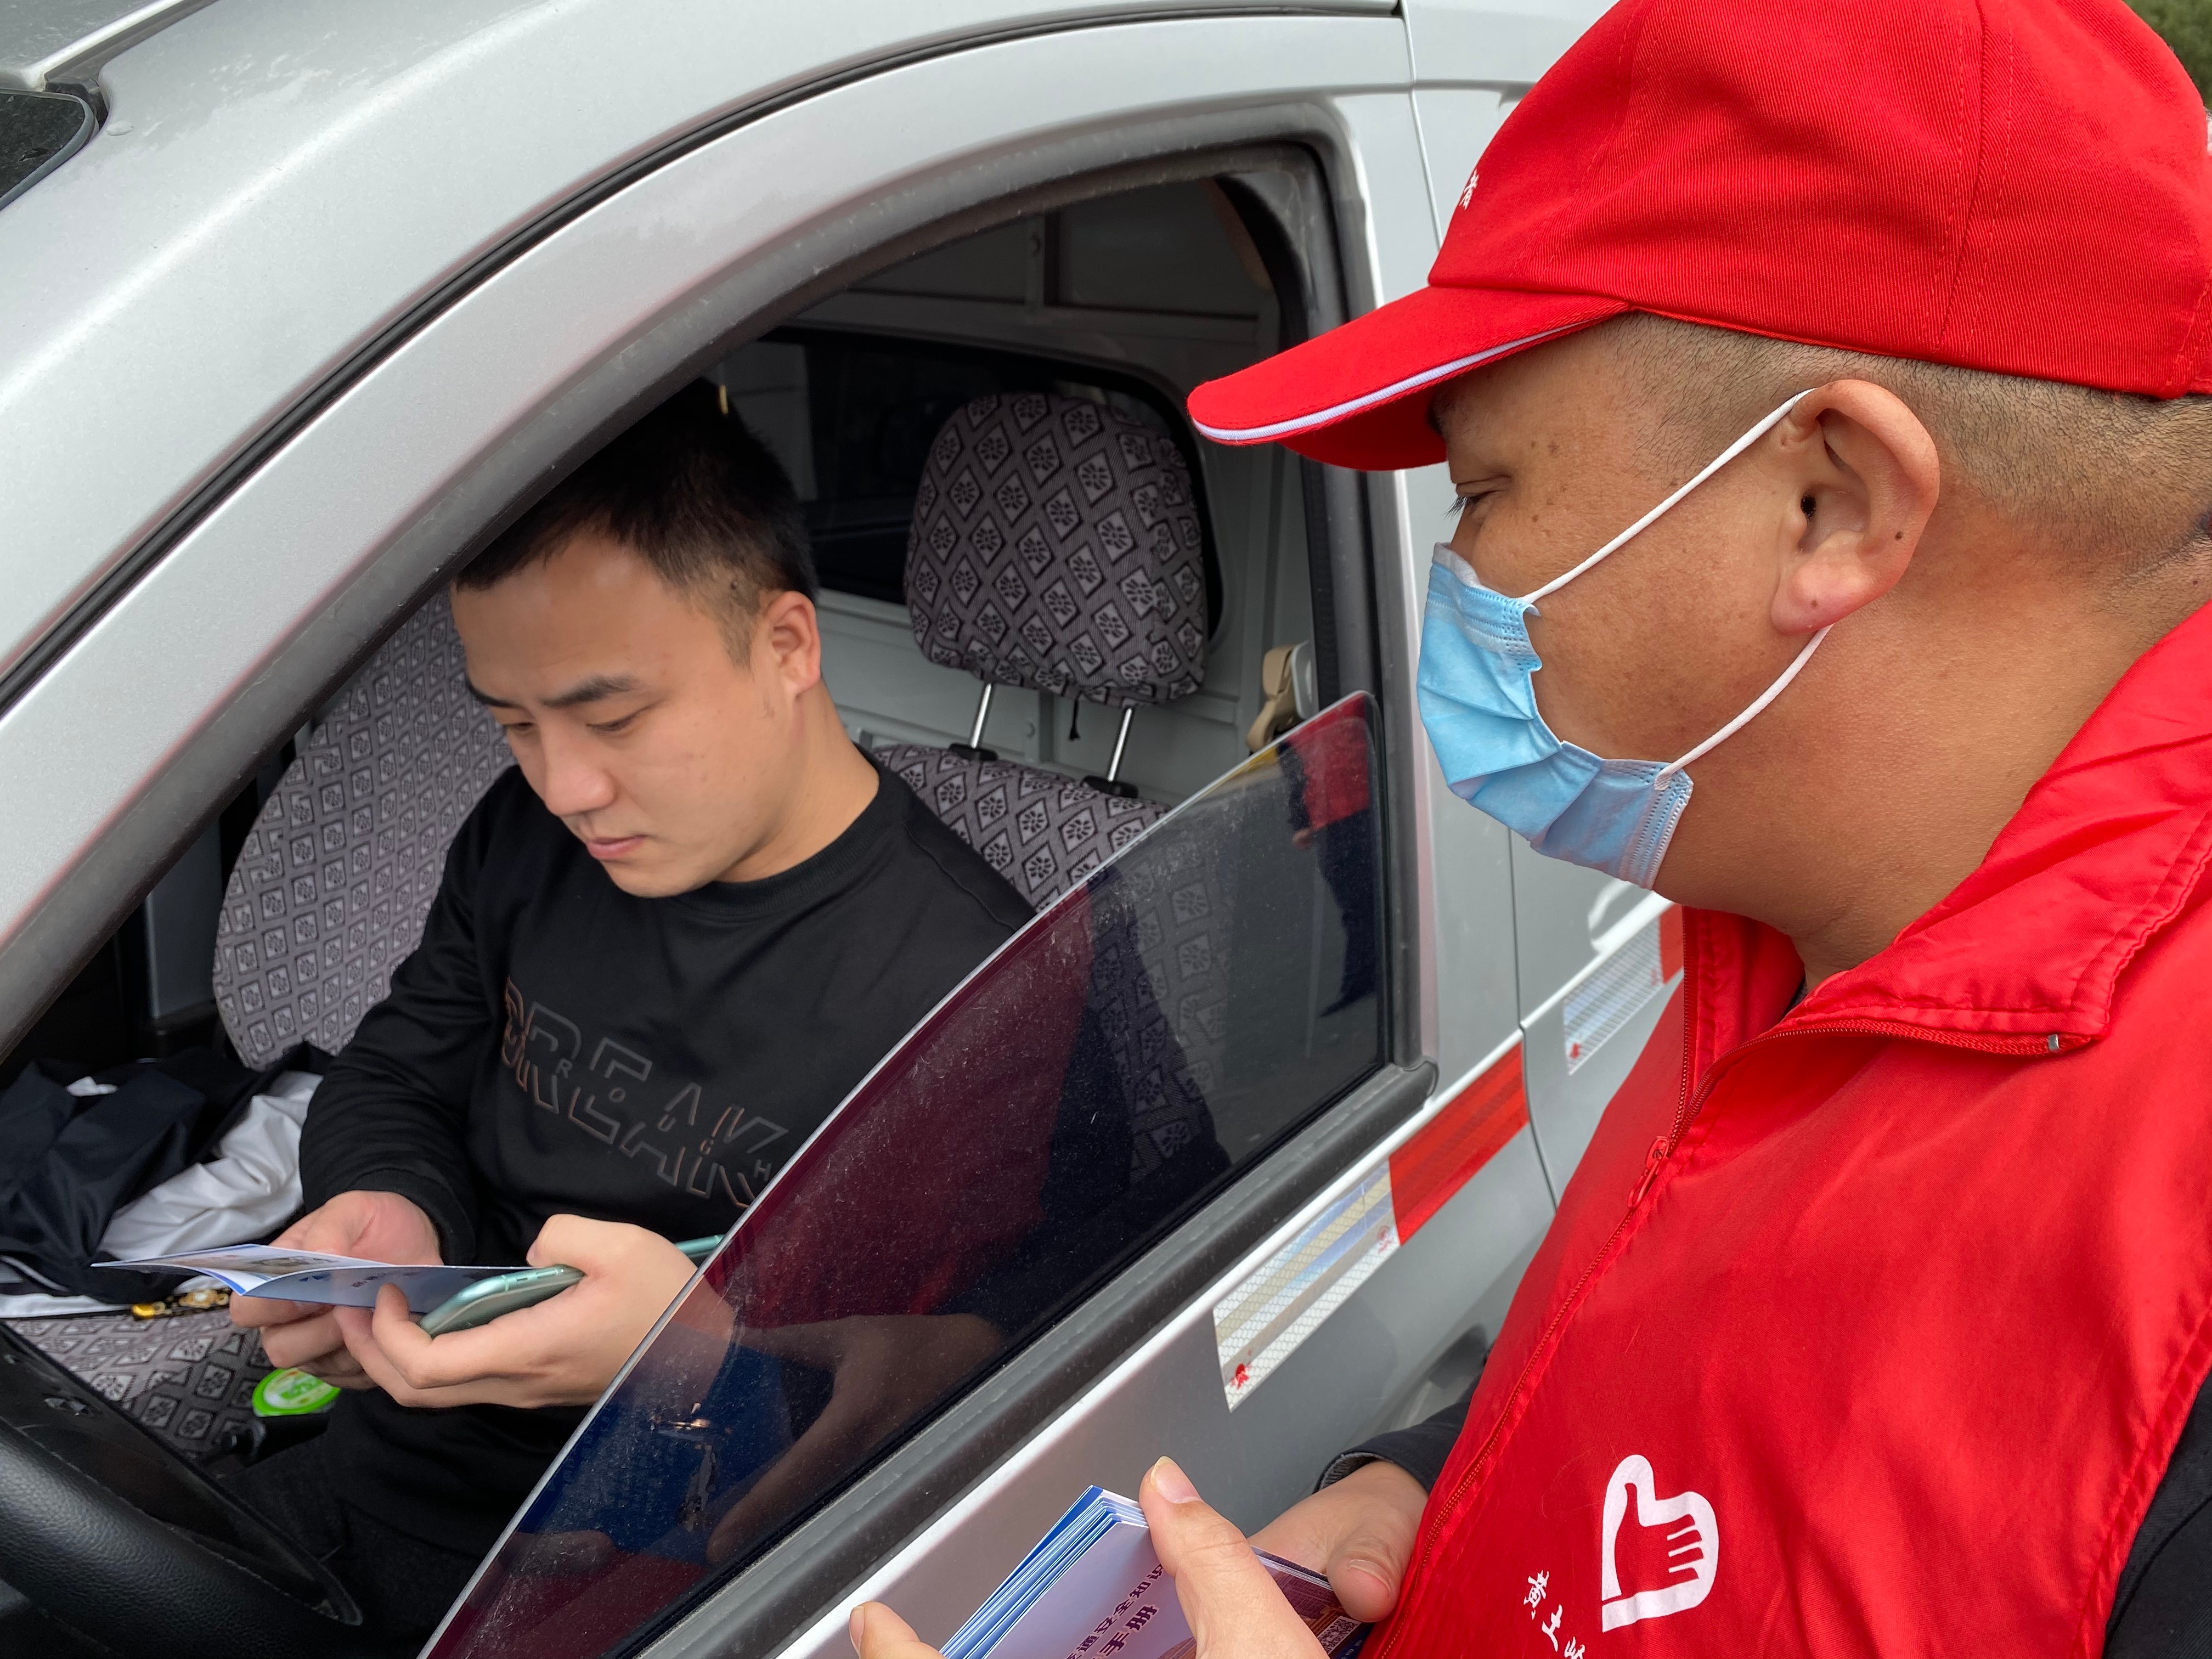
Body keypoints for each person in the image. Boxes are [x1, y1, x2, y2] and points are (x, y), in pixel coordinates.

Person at [854, 0, 2212, 1653]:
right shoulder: (1793, 911)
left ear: (1832, 503)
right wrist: (1430, 1484)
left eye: (1484, 495)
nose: (1458, 579)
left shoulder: (2171, 1319)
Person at [225, 387, 1032, 1646]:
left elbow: (993, 1392)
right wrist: (391, 1207)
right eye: (515, 724)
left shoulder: (983, 984)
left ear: (788, 647)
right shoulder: (525, 836)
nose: (566, 785)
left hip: (674, 1568)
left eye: (613, 719)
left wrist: (695, 1358)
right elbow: (399, 1071)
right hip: (384, 1475)